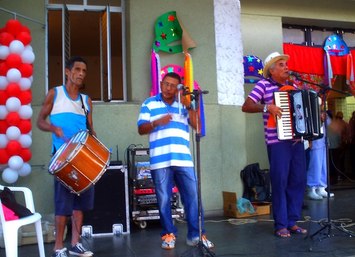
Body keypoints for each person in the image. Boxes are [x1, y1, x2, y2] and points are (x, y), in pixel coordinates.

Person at [137, 72, 214, 250]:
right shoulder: (149, 103)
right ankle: (168, 234)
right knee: (163, 200)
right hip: (160, 161)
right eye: (166, 84)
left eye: (173, 85)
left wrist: (189, 107)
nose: (168, 88)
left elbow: (199, 127)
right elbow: (141, 129)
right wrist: (157, 122)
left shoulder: (184, 104)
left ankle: (196, 235)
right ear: (161, 84)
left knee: (193, 198)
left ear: (178, 87)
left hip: (184, 160)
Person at [242, 52, 307, 238]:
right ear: (271, 70)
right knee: (280, 181)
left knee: (298, 180)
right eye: (281, 64)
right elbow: (246, 106)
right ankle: (281, 224)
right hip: (277, 141)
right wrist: (267, 107)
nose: (286, 67)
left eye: (286, 64)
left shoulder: (293, 86)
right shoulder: (263, 85)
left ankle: (292, 221)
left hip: (296, 141)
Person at [37, 56, 95, 257]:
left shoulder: (86, 101)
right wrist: (54, 128)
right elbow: (40, 121)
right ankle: (58, 247)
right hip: (62, 159)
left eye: (84, 71)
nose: (81, 73)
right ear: (67, 72)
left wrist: (96, 146)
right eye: (77, 69)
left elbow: (91, 129)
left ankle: (75, 243)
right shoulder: (55, 93)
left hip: (83, 158)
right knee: (63, 205)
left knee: (80, 204)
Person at [306, 111, 334, 200]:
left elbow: (330, 124)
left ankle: (322, 188)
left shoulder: (323, 112)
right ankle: (312, 189)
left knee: (323, 166)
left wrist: (325, 117)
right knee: (315, 166)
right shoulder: (309, 110)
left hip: (323, 142)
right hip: (315, 142)